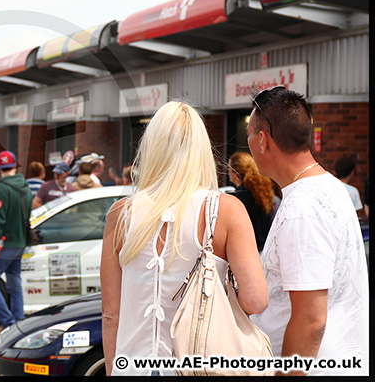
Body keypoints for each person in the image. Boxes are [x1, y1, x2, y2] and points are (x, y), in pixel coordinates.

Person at [100, 101, 268, 376]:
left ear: (151, 148)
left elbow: (110, 315)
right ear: (201, 150)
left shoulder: (121, 213)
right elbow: (256, 300)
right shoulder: (224, 209)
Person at [246, 87, 368, 376]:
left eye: (249, 133)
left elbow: (311, 321)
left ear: (263, 141)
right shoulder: (330, 187)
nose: (247, 142)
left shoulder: (303, 208)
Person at [0, 151, 31, 342]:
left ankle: (7, 323)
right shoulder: (25, 187)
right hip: (21, 241)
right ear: (15, 165)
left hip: (6, 243)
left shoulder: (2, 188)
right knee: (14, 282)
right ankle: (17, 323)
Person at [227, 152, 276, 252]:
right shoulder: (265, 194)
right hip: (265, 251)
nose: (228, 172)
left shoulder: (236, 199)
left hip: (247, 252)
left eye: (229, 169)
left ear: (236, 174)